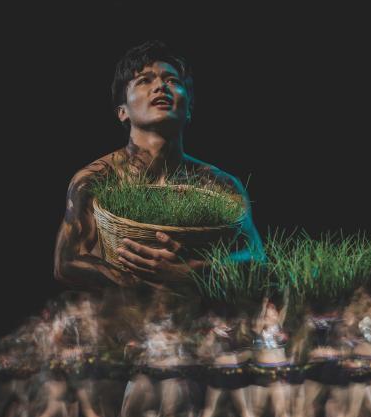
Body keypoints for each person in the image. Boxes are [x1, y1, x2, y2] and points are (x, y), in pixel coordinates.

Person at [54, 40, 263, 291]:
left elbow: (257, 259)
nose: (160, 86)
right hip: (123, 314)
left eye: (172, 80)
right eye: (144, 80)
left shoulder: (221, 184)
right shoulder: (95, 179)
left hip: (197, 315)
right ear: (122, 111)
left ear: (189, 108)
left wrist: (194, 272)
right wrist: (149, 283)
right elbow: (67, 262)